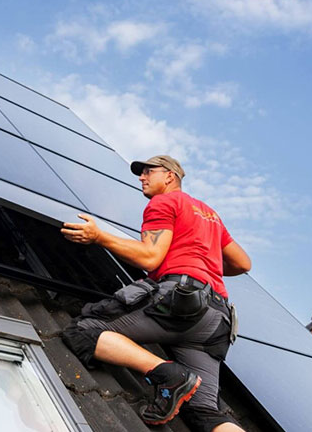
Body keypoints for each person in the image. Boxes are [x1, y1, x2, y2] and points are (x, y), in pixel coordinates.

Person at [60, 155, 251, 432]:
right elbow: (243, 263)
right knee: (206, 412)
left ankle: (169, 374)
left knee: (83, 330)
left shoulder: (164, 202)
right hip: (216, 319)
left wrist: (99, 237)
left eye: (149, 171)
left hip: (181, 302)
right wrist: (204, 266)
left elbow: (150, 257)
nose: (141, 177)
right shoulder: (209, 214)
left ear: (170, 176)